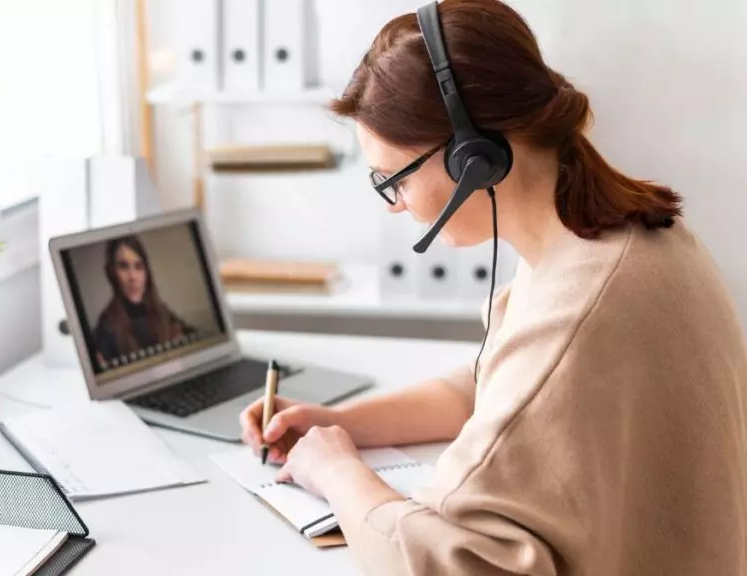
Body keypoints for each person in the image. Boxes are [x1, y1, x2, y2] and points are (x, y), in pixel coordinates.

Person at [240, 1, 747, 574]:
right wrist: (338, 427)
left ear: (473, 158)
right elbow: (493, 388)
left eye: (394, 179)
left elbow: (450, 564)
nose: (396, 203)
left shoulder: (579, 312)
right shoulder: (620, 238)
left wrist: (336, 475)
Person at [92, 235, 195, 369]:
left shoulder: (161, 309)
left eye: (138, 267)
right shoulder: (106, 326)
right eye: (123, 267)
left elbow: (193, 336)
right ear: (112, 272)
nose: (133, 277)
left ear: (146, 273)